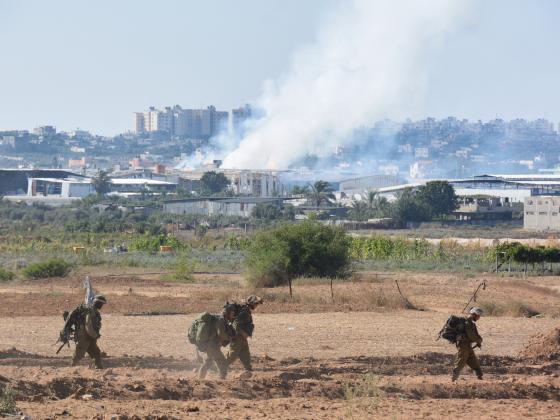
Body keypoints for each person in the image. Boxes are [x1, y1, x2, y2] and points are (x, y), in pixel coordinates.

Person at [197, 303, 237, 380]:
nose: (233, 313)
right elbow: (221, 334)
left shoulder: (222, 319)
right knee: (222, 362)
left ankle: (200, 379)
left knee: (207, 362)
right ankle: (222, 381)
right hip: (213, 345)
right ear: (228, 312)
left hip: (211, 345)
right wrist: (230, 338)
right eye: (232, 312)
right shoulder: (221, 320)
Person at [226, 295, 263, 379]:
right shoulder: (244, 312)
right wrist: (243, 334)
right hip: (238, 337)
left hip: (242, 337)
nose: (257, 306)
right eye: (256, 304)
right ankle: (219, 366)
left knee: (245, 354)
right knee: (232, 356)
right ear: (252, 303)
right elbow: (235, 325)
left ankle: (248, 370)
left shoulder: (246, 311)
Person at [71, 294, 107, 369]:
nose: (102, 306)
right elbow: (88, 325)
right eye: (101, 304)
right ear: (97, 303)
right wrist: (94, 335)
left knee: (96, 353)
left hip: (89, 337)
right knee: (79, 354)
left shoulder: (94, 311)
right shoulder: (90, 311)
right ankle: (70, 369)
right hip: (84, 337)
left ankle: (99, 368)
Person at [452, 307, 484, 382]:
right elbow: (471, 336)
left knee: (474, 362)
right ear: (474, 315)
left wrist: (478, 340)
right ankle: (453, 379)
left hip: (467, 346)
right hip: (463, 346)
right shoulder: (467, 323)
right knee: (460, 362)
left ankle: (480, 377)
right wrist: (479, 340)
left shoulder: (470, 323)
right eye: (478, 316)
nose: (479, 318)